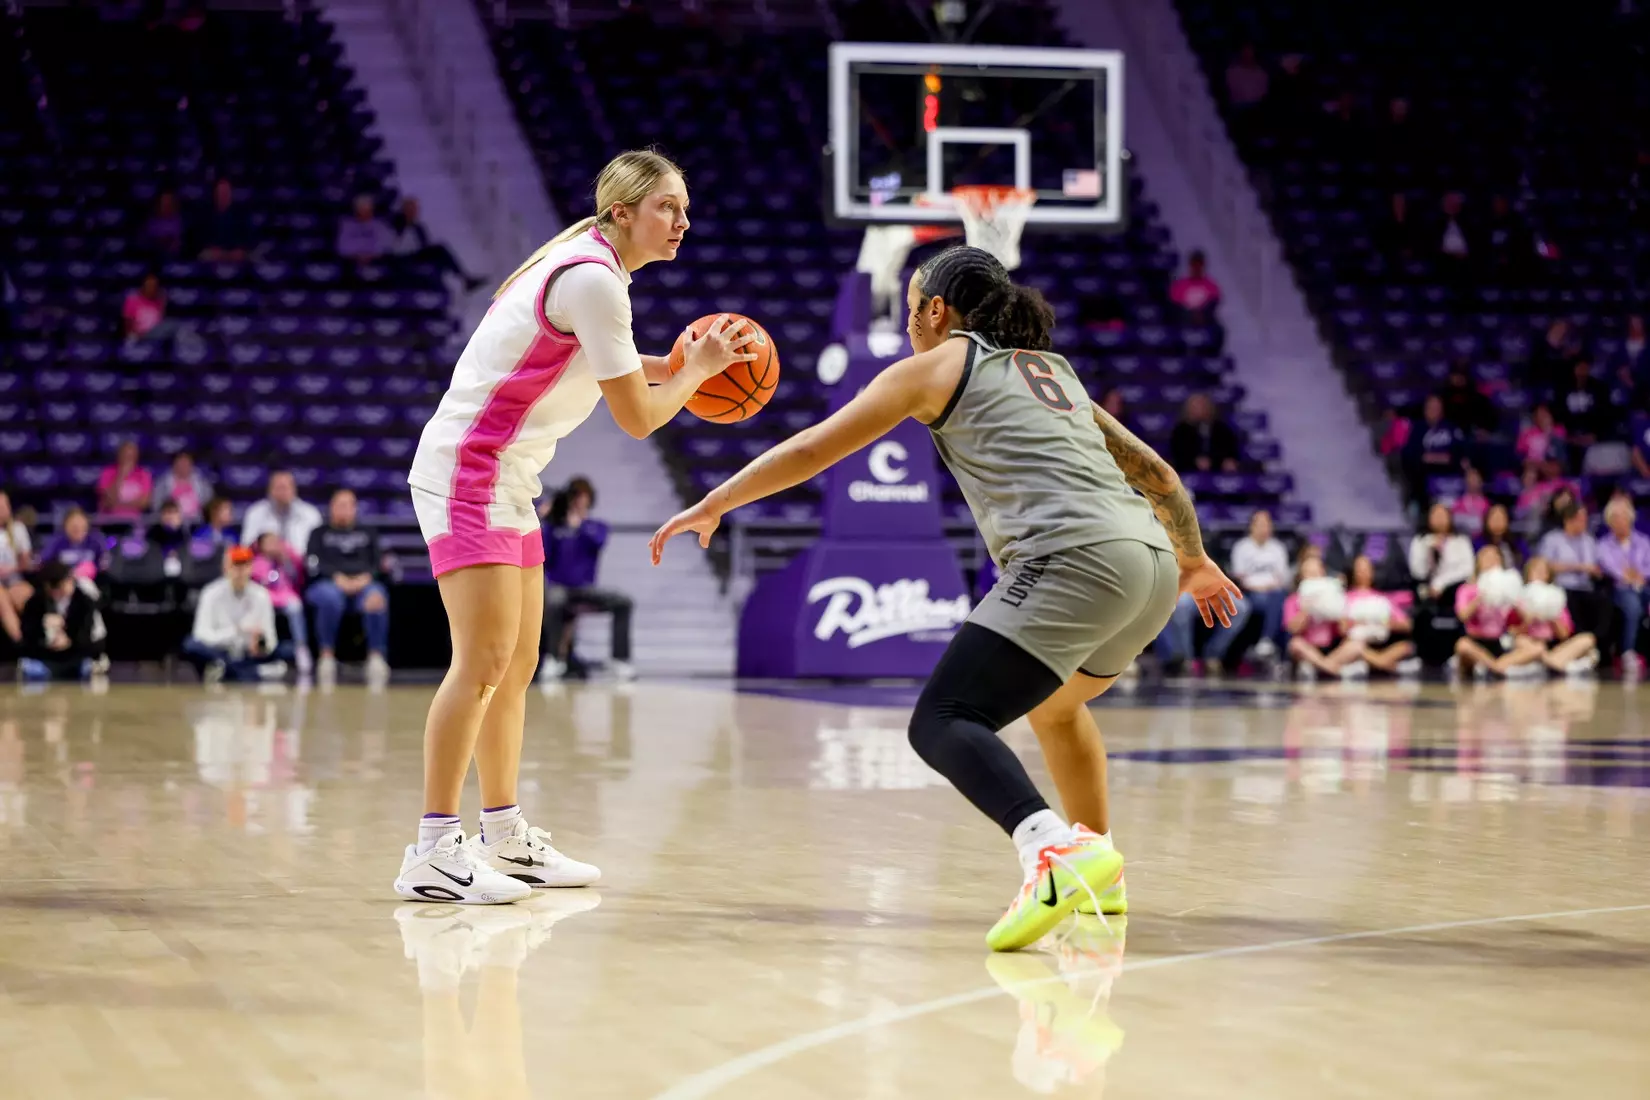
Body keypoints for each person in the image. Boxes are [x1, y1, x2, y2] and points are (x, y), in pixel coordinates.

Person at [651, 244, 1241, 952]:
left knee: (942, 720)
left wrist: (715, 502)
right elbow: (1159, 473)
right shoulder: (1052, 371)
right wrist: (1193, 558)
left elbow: (813, 451)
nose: (907, 326)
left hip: (1073, 558)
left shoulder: (937, 366)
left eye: (910, 310)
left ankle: (1051, 852)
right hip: (1150, 564)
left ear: (937, 310)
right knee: (1056, 707)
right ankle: (1100, 868)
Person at [397, 149, 757, 905]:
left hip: (507, 476)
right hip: (471, 470)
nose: (682, 222)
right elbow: (638, 418)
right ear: (622, 211)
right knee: (482, 663)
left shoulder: (593, 269)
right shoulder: (593, 279)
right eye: (667, 207)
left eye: (685, 209)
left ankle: (502, 835)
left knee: (517, 665)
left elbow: (611, 364)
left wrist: (684, 363)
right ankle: (432, 849)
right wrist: (694, 374)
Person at [540, 476, 634, 683]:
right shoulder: (554, 528)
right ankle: (554, 658)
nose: (579, 501)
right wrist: (546, 521)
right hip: (559, 588)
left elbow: (598, 541)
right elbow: (544, 555)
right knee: (554, 600)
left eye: (583, 497)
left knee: (623, 602)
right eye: (575, 496)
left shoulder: (596, 526)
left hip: (586, 589)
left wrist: (579, 525)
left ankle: (620, 659)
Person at [304, 488, 388, 685]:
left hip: (364, 584)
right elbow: (312, 563)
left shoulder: (368, 532)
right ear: (331, 507)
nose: (343, 509)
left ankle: (376, 656)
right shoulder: (318, 533)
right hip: (328, 583)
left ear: (355, 508)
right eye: (339, 505)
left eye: (347, 505)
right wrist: (336, 578)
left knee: (376, 597)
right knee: (330, 598)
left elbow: (379, 563)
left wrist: (365, 579)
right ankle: (326, 656)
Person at [183, 546, 288, 684]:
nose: (240, 571)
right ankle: (249, 672)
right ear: (226, 568)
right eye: (236, 565)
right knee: (191, 645)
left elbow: (270, 639)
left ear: (251, 568)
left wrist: (260, 645)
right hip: (220, 651)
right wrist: (234, 633)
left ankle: (230, 671)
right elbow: (200, 634)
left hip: (248, 654)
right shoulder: (211, 593)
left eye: (245, 565)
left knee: (287, 650)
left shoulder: (261, 595)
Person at [1537, 502, 1610, 655]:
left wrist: (1597, 571)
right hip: (1561, 586)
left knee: (1605, 604)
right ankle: (1574, 649)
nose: (1584, 522)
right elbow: (1545, 565)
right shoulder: (1552, 539)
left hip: (1586, 587)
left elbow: (1597, 565)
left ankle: (1596, 647)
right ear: (1568, 520)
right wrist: (1578, 567)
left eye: (1585, 519)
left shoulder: (1589, 540)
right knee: (1571, 603)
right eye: (1580, 519)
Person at [1510, 557, 1600, 677]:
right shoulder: (1518, 599)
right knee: (1521, 642)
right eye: (1536, 570)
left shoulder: (1557, 597)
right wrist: (1528, 621)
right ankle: (1557, 665)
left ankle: (1548, 663)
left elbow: (1564, 635)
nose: (1540, 574)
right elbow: (1512, 633)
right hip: (1531, 645)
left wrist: (1552, 617)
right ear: (1528, 574)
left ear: (1548, 575)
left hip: (1553, 645)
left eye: (1543, 571)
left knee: (1588, 639)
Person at [18, 561, 106, 682]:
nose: (56, 593)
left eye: (60, 587)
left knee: (85, 666)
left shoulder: (84, 601)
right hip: (45, 656)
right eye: (52, 588)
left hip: (76, 654)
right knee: (32, 668)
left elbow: (88, 632)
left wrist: (68, 640)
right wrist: (44, 637)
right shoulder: (36, 602)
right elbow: (27, 632)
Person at [1227, 509, 1292, 660]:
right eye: (1261, 524)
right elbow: (1239, 578)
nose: (1265, 528)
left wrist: (1270, 586)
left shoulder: (1278, 548)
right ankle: (1268, 643)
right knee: (1277, 603)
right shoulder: (1241, 547)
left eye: (1268, 525)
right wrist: (1261, 587)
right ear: (1252, 526)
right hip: (1250, 592)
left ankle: (1267, 643)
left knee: (1279, 599)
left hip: (1273, 591)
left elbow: (1282, 577)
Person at [1453, 546, 1524, 680]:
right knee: (1462, 645)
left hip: (1498, 641)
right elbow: (1462, 616)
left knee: (1533, 647)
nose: (1491, 561)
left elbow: (1524, 619)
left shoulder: (1508, 588)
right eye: (1487, 558)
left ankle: (1492, 666)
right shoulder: (1467, 588)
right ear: (1478, 562)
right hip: (1476, 642)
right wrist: (1480, 596)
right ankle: (1497, 667)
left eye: (1495, 558)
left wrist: (1513, 600)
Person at [1285, 556, 1362, 679]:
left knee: (1357, 645)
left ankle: (1318, 667)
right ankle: (1338, 670)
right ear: (1301, 577)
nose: (1314, 577)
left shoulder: (1336, 596)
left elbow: (1344, 631)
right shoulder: (1293, 600)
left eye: (1316, 573)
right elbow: (1293, 629)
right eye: (1309, 573)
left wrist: (1337, 611)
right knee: (1295, 644)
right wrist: (1307, 608)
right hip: (1309, 648)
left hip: (1331, 649)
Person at [1344, 554, 1421, 676]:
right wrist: (1361, 623)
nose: (1363, 573)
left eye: (1367, 568)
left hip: (1382, 642)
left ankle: (1371, 664)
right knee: (1353, 647)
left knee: (1406, 647)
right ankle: (1394, 667)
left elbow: (1407, 625)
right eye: (1359, 569)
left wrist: (1387, 624)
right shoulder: (1346, 598)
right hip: (1359, 644)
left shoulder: (1383, 598)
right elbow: (1341, 628)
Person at [1597, 496, 1650, 672]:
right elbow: (1609, 567)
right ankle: (1628, 652)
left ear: (1630, 518)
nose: (1620, 521)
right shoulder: (1604, 545)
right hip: (1618, 589)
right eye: (1615, 517)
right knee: (1633, 606)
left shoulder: (1643, 541)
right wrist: (1626, 576)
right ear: (1609, 521)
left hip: (1644, 585)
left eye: (1623, 516)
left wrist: (1640, 575)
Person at [251, 531, 310, 676]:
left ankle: (301, 647)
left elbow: (298, 578)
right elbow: (258, 586)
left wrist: (286, 559)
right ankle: (260, 650)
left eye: (276, 542)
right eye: (269, 542)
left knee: (295, 606)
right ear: (261, 546)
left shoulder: (285, 560)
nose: (274, 545)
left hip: (286, 597)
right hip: (264, 599)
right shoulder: (256, 563)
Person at [239, 470, 322, 556]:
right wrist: (262, 544)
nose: (282, 493)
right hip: (265, 561)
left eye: (285, 488)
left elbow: (318, 549)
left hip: (302, 562)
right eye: (278, 488)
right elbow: (246, 546)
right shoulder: (255, 512)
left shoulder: (310, 514)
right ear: (269, 490)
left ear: (294, 489)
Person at [1408, 502, 1475, 605]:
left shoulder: (1461, 541)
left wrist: (1441, 583)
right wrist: (1429, 552)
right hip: (1426, 588)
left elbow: (1467, 569)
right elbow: (1418, 572)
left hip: (1452, 587)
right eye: (1435, 515)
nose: (1439, 519)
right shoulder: (1420, 541)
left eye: (1443, 515)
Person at [1168, 392, 1240, 473]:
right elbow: (1178, 454)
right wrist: (1195, 461)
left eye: (1203, 406)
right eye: (1196, 407)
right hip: (1188, 470)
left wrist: (1224, 461)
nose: (1200, 410)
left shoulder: (1222, 429)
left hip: (1217, 468)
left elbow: (1229, 451)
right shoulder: (1180, 430)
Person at [0, 491, 32, 643]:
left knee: (27, 597)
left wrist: (12, 569)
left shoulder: (18, 528)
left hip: (14, 578)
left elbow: (26, 563)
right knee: (2, 601)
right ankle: (22, 643)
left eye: (5, 505)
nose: (3, 510)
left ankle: (44, 639)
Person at [96, 440, 153, 518]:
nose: (128, 458)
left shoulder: (143, 474)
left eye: (131, 456)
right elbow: (108, 502)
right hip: (109, 519)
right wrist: (121, 475)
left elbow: (144, 503)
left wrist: (119, 504)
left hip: (133, 519)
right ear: (119, 455)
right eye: (125, 455)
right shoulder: (107, 473)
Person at [153, 450, 213, 523]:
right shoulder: (162, 483)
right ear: (174, 465)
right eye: (180, 463)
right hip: (171, 522)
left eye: (186, 463)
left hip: (197, 522)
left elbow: (209, 505)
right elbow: (156, 505)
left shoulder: (202, 483)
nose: (183, 466)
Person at [1476, 503, 1524, 571]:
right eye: (1494, 518)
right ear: (1486, 521)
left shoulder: (1517, 542)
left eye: (1501, 517)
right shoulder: (1478, 543)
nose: (1498, 521)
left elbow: (1526, 564)